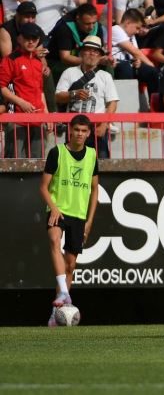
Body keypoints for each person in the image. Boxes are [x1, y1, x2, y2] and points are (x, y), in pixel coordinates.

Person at [40, 114, 99, 327]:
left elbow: (95, 190)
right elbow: (43, 187)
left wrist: (89, 221)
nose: (79, 134)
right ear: (70, 130)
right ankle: (64, 292)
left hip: (78, 214)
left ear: (89, 133)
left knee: (70, 265)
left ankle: (55, 313)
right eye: (76, 130)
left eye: (84, 131)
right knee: (54, 240)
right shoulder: (57, 152)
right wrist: (54, 207)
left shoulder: (92, 155)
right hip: (58, 210)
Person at [55, 36, 119, 159]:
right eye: (88, 50)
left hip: (97, 126)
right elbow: (57, 97)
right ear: (81, 53)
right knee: (73, 161)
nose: (92, 54)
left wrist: (104, 124)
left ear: (100, 56)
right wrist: (74, 94)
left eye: (96, 51)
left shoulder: (105, 76)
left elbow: (113, 102)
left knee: (101, 162)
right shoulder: (69, 72)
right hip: (75, 126)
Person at [0, 23, 50, 159]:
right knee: (15, 161)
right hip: (17, 118)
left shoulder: (38, 62)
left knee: (39, 162)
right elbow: (2, 87)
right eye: (27, 38)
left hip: (38, 118)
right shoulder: (11, 59)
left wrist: (47, 114)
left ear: (38, 41)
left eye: (34, 38)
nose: (31, 41)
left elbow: (40, 91)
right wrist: (21, 102)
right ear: (19, 39)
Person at [46, 3, 108, 86]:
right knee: (71, 72)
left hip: (86, 62)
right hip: (58, 63)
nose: (91, 27)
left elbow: (100, 52)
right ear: (78, 19)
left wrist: (106, 60)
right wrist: (90, 62)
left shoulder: (97, 27)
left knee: (108, 67)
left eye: (93, 23)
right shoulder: (65, 27)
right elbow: (65, 58)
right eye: (87, 24)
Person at [111, 8, 160, 99]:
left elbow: (136, 55)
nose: (137, 32)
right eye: (137, 28)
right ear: (128, 23)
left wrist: (138, 62)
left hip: (131, 64)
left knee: (151, 73)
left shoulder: (131, 35)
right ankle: (128, 102)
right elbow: (136, 52)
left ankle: (154, 102)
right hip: (117, 64)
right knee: (125, 68)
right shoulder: (115, 30)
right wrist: (152, 65)